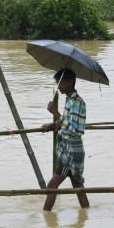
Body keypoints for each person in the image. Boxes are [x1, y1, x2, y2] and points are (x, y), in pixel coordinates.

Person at [42, 68, 89, 212]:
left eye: (61, 83)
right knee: (78, 187)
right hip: (70, 151)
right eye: (58, 83)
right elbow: (66, 123)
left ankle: (46, 217)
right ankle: (86, 214)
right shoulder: (69, 100)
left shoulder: (76, 102)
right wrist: (54, 124)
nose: (59, 86)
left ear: (70, 83)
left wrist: (55, 113)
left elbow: (74, 129)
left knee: (52, 186)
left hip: (71, 153)